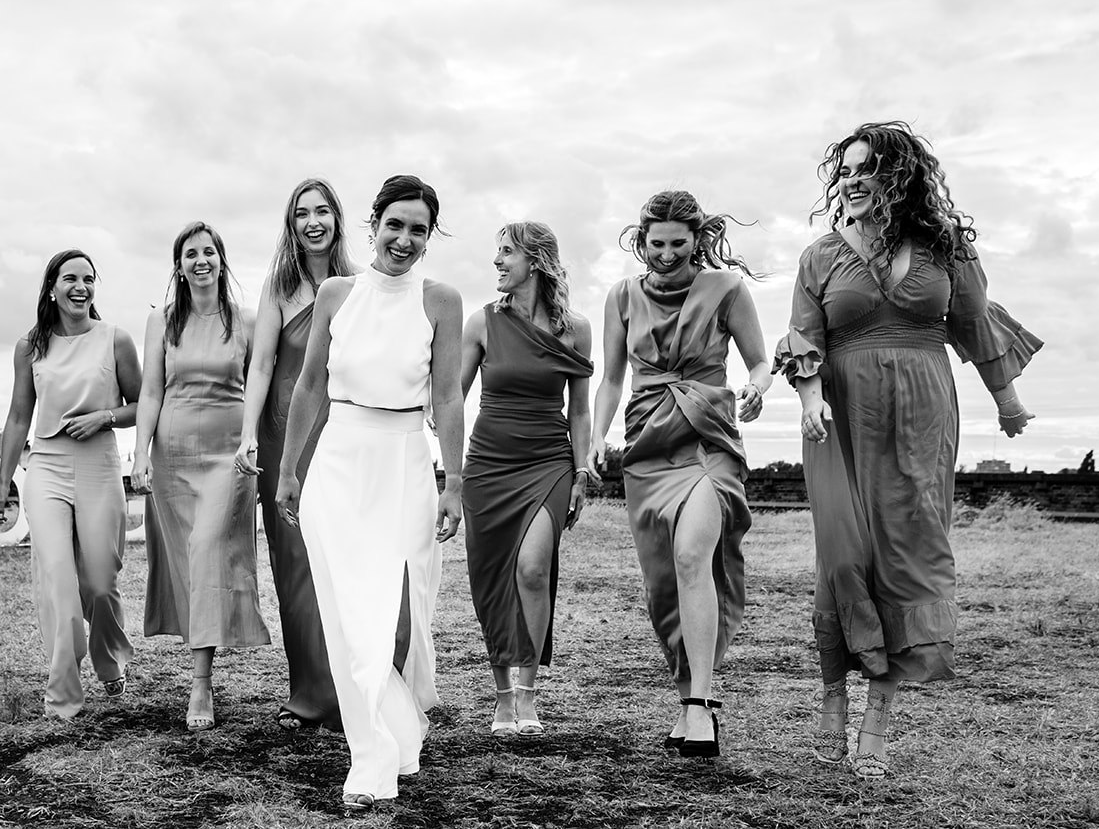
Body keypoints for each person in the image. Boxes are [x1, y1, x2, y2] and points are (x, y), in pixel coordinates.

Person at [777, 120, 1040, 779]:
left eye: (867, 168)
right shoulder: (819, 255)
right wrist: (810, 399)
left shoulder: (945, 247)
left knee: (907, 558)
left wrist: (1008, 403)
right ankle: (834, 692)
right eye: (845, 170)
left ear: (900, 176)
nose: (852, 181)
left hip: (923, 415)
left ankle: (877, 715)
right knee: (844, 556)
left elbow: (975, 324)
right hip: (839, 418)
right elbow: (804, 337)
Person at [275, 174, 465, 813]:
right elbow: (309, 387)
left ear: (429, 237)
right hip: (337, 461)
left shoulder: (441, 301)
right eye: (395, 225)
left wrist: (454, 483)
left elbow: (447, 397)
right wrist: (289, 471)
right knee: (343, 613)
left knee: (382, 611)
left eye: (418, 229)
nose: (404, 239)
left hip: (404, 462)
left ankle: (398, 727)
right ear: (374, 224)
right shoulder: (336, 294)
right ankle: (371, 753)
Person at [587, 191, 771, 758]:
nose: (666, 254)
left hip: (707, 436)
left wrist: (757, 387)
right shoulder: (621, 295)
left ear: (698, 240)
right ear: (641, 242)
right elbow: (611, 378)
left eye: (678, 243)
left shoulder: (727, 290)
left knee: (694, 557)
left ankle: (700, 704)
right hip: (648, 443)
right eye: (656, 244)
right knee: (665, 580)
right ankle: (688, 688)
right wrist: (595, 436)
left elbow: (759, 361)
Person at [0, 250, 142, 720]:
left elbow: (143, 405)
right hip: (47, 467)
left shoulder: (115, 339)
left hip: (99, 465)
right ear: (52, 288)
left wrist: (105, 417)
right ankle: (63, 693)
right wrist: (3, 481)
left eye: (89, 279)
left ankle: (109, 659)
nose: (81, 287)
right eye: (70, 278)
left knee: (98, 581)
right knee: (58, 579)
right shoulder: (30, 346)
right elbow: (19, 416)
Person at [459, 221, 593, 738]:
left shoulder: (575, 329)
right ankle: (501, 694)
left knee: (534, 569)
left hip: (548, 462)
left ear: (535, 261)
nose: (497, 261)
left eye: (506, 252)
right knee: (493, 577)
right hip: (489, 465)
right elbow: (451, 396)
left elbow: (579, 411)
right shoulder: (481, 322)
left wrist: (581, 470)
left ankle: (528, 692)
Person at [131, 222, 265, 731]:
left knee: (208, 548)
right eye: (191, 253)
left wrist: (254, 441)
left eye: (209, 251)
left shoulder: (246, 320)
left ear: (222, 261)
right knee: (190, 564)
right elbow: (150, 391)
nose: (201, 260)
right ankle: (201, 673)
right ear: (179, 265)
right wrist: (139, 454)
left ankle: (201, 684)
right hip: (173, 455)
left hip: (230, 456)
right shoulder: (162, 321)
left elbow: (260, 386)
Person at [234, 178, 356, 731]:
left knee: (341, 560)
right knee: (295, 564)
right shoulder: (278, 288)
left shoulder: (357, 285)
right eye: (302, 213)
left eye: (322, 211)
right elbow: (261, 364)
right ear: (291, 225)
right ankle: (310, 694)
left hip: (341, 432)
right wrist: (248, 434)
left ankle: (353, 689)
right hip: (284, 433)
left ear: (337, 219)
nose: (313, 222)